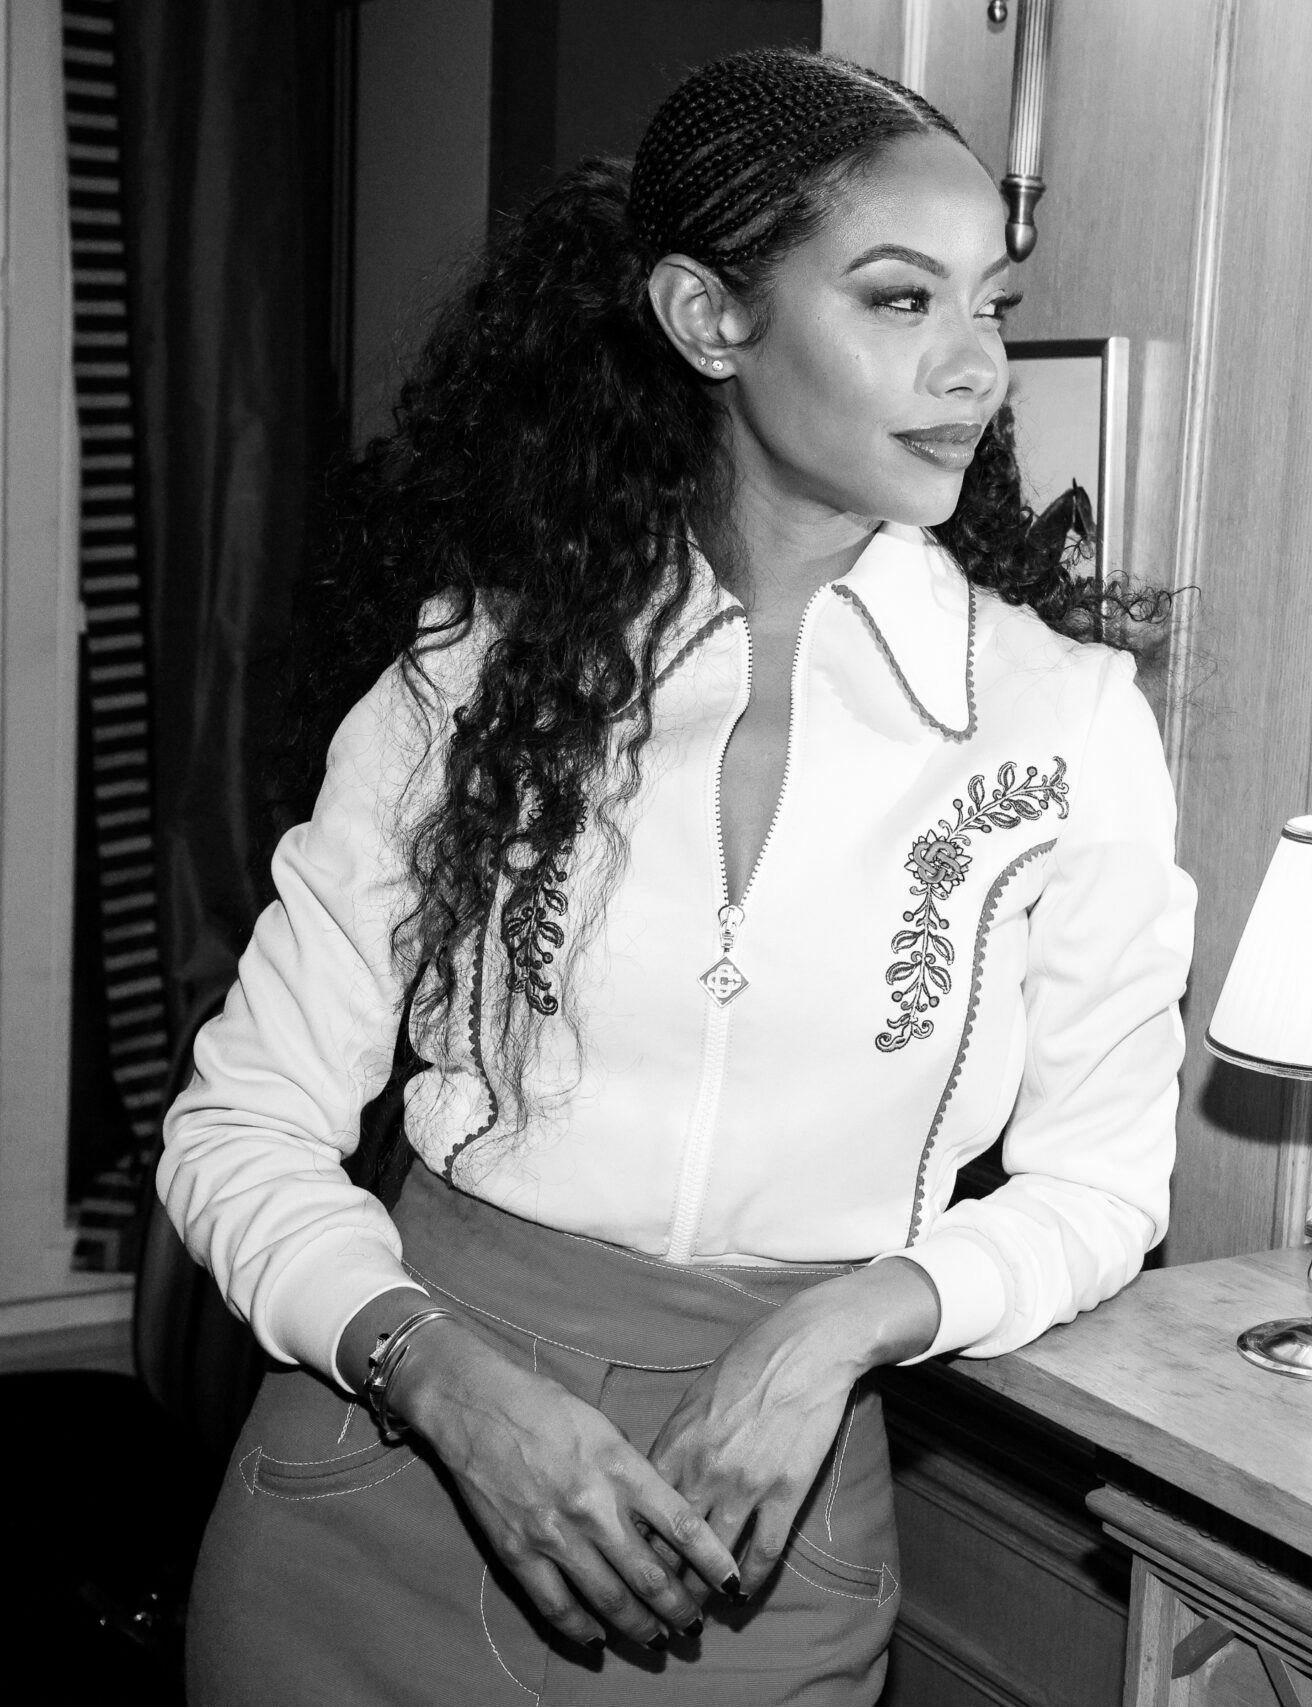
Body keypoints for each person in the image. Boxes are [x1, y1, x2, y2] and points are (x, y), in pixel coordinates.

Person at [159, 50, 1194, 1705]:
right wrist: (434, 1372)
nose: (976, 366)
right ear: (710, 318)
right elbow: (240, 1123)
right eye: (901, 299)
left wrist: (841, 1325)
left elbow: (1105, 1184)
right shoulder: (475, 674)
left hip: (750, 1542)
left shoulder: (1064, 721)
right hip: (378, 1489)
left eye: (991, 305)